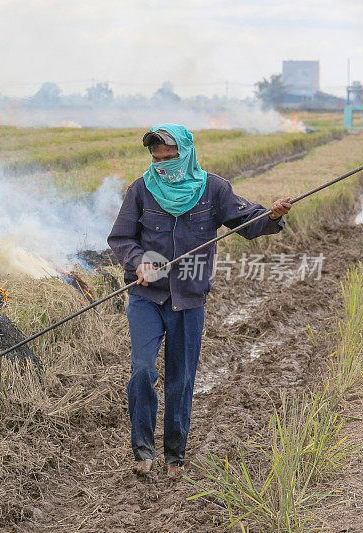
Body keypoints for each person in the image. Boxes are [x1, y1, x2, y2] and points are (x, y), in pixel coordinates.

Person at [106, 123, 292, 479]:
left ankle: (174, 456)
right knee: (142, 370)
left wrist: (272, 215)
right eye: (157, 158)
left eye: (170, 156)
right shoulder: (142, 189)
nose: (163, 164)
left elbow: (247, 221)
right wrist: (138, 261)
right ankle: (142, 450)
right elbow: (121, 237)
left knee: (182, 378)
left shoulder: (214, 189)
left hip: (189, 297)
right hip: (147, 295)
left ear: (187, 152)